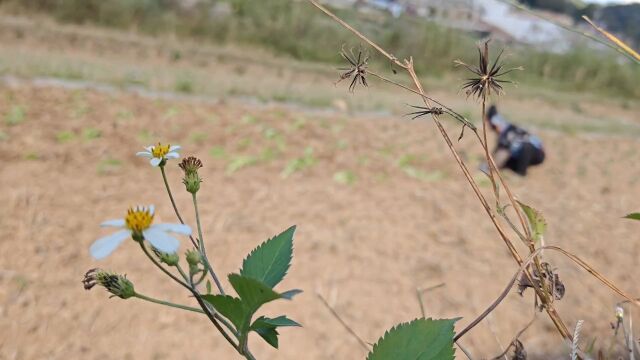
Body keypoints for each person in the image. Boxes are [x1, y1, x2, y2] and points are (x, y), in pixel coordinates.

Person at [482, 105, 545, 176]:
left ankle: (521, 173)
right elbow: (496, 153)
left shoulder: (507, 133)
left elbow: (501, 155)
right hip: (523, 154)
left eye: (491, 125)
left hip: (537, 154)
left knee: (526, 147)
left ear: (495, 124)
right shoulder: (504, 133)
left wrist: (488, 168)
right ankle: (518, 169)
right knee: (506, 163)